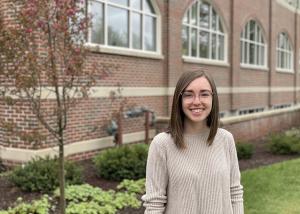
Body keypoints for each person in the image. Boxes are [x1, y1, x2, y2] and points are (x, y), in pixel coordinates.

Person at [141, 70, 244, 214]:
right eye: (189, 94)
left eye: (204, 94)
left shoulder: (225, 139)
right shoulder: (162, 144)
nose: (197, 101)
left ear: (213, 98)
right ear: (179, 99)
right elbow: (154, 204)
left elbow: (235, 193)